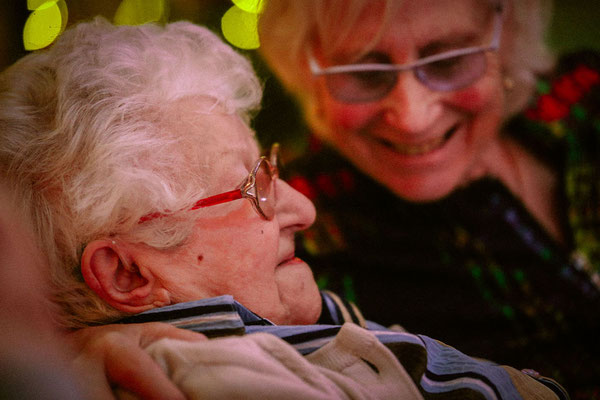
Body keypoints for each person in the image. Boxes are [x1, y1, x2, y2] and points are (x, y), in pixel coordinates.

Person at [0, 17, 566, 399]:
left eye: (270, 170)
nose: (304, 208)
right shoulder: (211, 377)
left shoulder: (290, 323)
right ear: (127, 272)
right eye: (255, 188)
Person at [257, 0, 600, 397]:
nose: (413, 118)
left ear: (506, 40)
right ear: (307, 70)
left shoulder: (585, 102)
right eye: (365, 72)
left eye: (448, 62)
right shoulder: (302, 229)